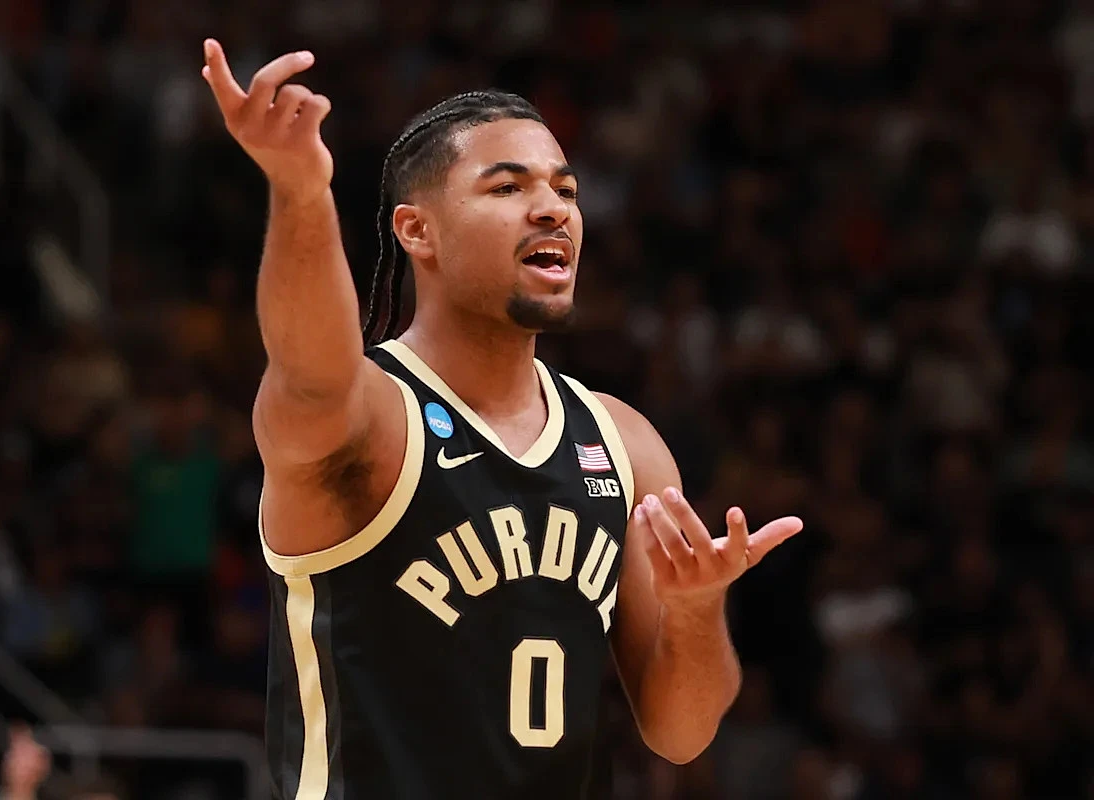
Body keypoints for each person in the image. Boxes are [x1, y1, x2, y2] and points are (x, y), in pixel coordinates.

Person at [201, 39, 804, 800]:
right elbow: (310, 371)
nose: (553, 208)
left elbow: (680, 734)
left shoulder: (624, 442)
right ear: (418, 231)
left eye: (566, 189)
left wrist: (694, 609)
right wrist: (299, 190)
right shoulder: (372, 418)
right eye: (508, 187)